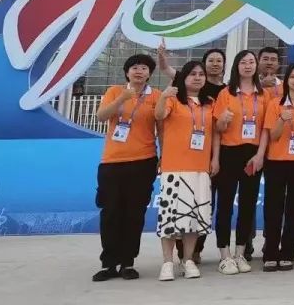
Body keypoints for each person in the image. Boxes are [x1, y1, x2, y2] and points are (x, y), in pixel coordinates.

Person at [92, 53, 160, 282]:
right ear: (127, 72)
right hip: (112, 162)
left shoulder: (156, 96)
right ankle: (109, 264)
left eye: (144, 68)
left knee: (134, 214)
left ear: (150, 74)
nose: (139, 71)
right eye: (135, 67)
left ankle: (128, 262)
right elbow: (101, 116)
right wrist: (122, 98)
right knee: (110, 212)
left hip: (143, 161)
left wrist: (163, 157)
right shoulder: (114, 91)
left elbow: (162, 127)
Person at [159, 46, 225, 264]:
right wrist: (163, 96)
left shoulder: (212, 101)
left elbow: (216, 132)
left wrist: (215, 158)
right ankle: (170, 262)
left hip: (201, 166)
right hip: (175, 167)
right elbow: (159, 115)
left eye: (200, 75)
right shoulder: (174, 99)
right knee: (172, 215)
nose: (197, 77)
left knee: (197, 214)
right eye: (193, 74)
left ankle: (189, 258)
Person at [212, 49, 267, 274]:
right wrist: (223, 122)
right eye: (243, 62)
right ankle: (225, 255)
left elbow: (266, 128)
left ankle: (240, 253)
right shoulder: (226, 93)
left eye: (251, 62)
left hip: (252, 154)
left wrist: (260, 155)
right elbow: (217, 129)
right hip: (229, 153)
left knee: (247, 205)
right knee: (225, 205)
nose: (248, 65)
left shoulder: (263, 95)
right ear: (237, 66)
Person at [261, 63, 294, 271]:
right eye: (293, 77)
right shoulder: (275, 104)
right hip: (276, 162)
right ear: (287, 80)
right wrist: (282, 119)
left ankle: (288, 251)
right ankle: (271, 252)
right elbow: (273, 135)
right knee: (273, 208)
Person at [157, 45, 227, 99]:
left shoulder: (226, 90)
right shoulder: (189, 79)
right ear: (204, 63)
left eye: (219, 61)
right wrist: (161, 56)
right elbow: (165, 68)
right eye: (211, 60)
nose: (215, 64)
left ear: (224, 65)